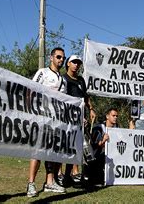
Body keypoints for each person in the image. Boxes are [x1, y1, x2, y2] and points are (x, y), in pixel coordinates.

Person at [26, 47, 67, 197]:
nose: (61, 60)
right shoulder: (42, 72)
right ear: (51, 57)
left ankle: (50, 182)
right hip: (41, 118)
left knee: (52, 152)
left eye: (63, 58)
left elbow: (64, 101)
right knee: (37, 151)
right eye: (58, 57)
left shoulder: (63, 79)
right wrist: (29, 111)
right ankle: (31, 183)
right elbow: (30, 90)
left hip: (56, 121)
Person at [60, 55, 96, 187]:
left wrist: (91, 109)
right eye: (74, 62)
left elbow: (85, 97)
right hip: (67, 118)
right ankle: (62, 176)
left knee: (78, 149)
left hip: (82, 119)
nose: (76, 65)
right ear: (68, 64)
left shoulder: (81, 80)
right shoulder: (63, 79)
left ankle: (72, 175)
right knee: (67, 148)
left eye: (78, 63)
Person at [88, 107, 119, 186]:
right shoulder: (99, 128)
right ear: (107, 116)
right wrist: (104, 140)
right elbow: (94, 146)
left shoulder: (117, 128)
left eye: (116, 116)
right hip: (99, 155)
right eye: (113, 115)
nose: (115, 117)